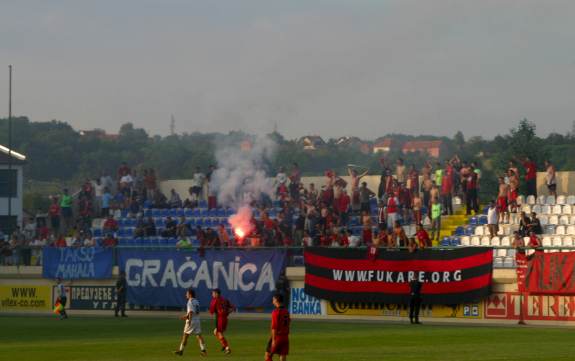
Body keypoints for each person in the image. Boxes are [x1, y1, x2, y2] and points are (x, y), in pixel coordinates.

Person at [174, 289, 207, 357]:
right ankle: (203, 351)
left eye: (187, 293)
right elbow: (194, 311)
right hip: (197, 320)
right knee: (199, 336)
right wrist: (185, 316)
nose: (186, 295)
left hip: (191, 321)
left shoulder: (190, 302)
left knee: (185, 335)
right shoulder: (196, 301)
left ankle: (181, 351)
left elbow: (191, 312)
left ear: (190, 294)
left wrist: (189, 320)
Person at [265, 293, 290, 361]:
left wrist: (273, 340)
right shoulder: (286, 311)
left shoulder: (276, 312)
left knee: (268, 356)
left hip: (277, 337)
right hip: (285, 337)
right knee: (282, 356)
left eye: (273, 299)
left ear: (276, 300)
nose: (272, 301)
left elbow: (274, 327)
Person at [209, 288, 235, 355]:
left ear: (217, 294)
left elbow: (211, 311)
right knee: (215, 332)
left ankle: (227, 348)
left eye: (213, 293)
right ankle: (223, 345)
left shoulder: (215, 300)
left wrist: (215, 310)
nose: (212, 294)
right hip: (225, 319)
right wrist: (227, 312)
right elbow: (233, 307)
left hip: (220, 319)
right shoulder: (225, 300)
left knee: (219, 333)